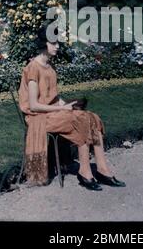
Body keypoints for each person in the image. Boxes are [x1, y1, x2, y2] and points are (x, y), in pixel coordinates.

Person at [18, 25, 126, 191]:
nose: (58, 46)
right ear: (44, 44)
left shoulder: (50, 68)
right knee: (81, 120)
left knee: (92, 117)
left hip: (51, 112)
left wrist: (65, 104)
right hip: (38, 117)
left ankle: (103, 170)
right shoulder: (33, 68)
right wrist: (63, 109)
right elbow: (33, 105)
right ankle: (85, 172)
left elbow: (50, 96)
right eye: (54, 43)